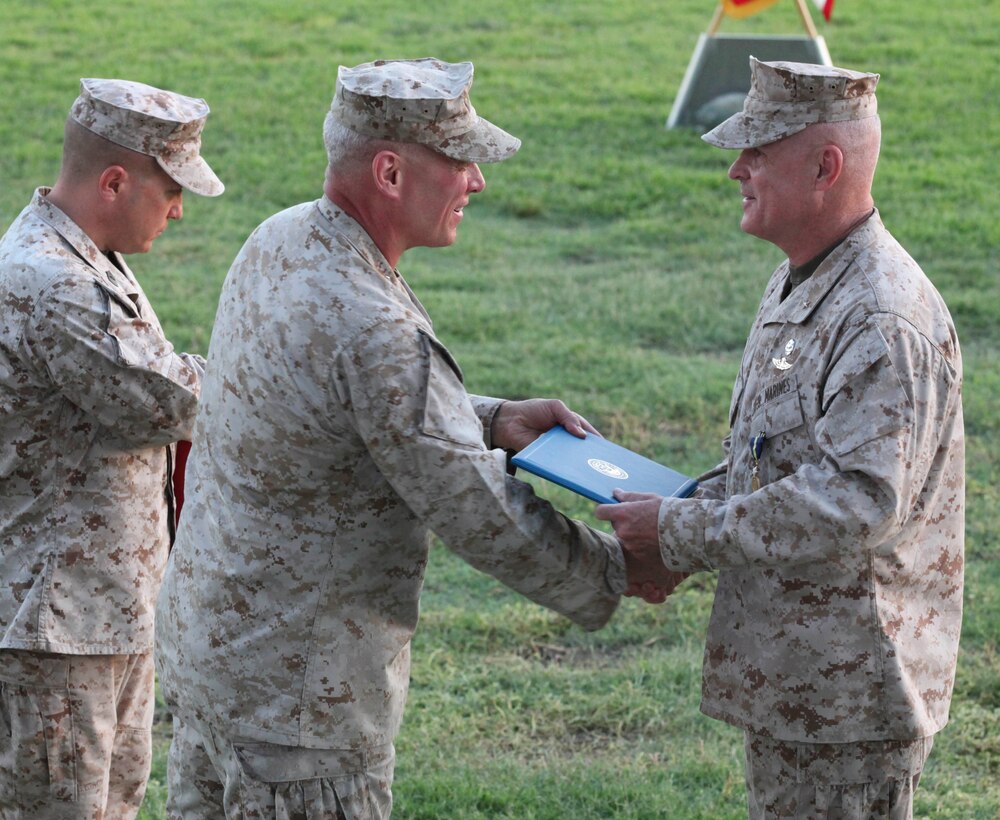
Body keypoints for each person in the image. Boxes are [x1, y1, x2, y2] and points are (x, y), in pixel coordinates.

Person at [155, 57, 668, 819]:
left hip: (218, 667)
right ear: (390, 172)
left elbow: (332, 406)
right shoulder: (374, 323)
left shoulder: (281, 240)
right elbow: (475, 509)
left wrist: (490, 419)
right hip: (303, 720)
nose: (478, 181)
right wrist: (620, 568)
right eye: (460, 160)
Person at [597, 57, 964, 818]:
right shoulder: (806, 274)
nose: (736, 169)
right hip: (802, 682)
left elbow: (855, 501)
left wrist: (679, 532)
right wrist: (676, 520)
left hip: (851, 703)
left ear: (825, 166)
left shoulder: (881, 319)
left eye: (757, 152)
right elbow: (772, 461)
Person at [0, 79, 224, 817]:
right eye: (170, 190)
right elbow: (167, 399)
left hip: (106, 613)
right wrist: (290, 364)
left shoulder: (89, 258)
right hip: (56, 630)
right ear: (115, 181)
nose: (180, 209)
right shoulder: (50, 280)